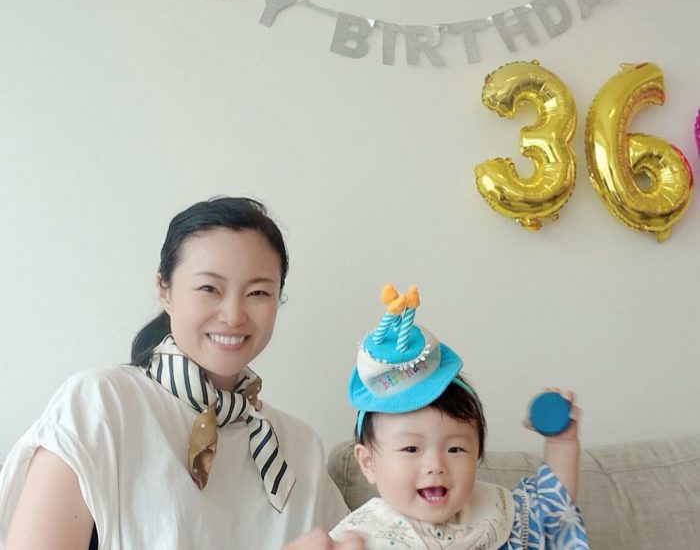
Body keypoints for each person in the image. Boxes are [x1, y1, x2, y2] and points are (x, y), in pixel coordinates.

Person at [0, 197, 363, 549]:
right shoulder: (100, 405)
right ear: (164, 290)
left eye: (257, 293)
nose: (233, 315)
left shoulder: (300, 447)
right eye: (209, 288)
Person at [329, 284, 589, 549]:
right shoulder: (362, 538)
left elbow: (552, 508)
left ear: (476, 454)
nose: (436, 465)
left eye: (455, 449)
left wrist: (561, 442)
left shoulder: (499, 516)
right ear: (368, 463)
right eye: (411, 448)